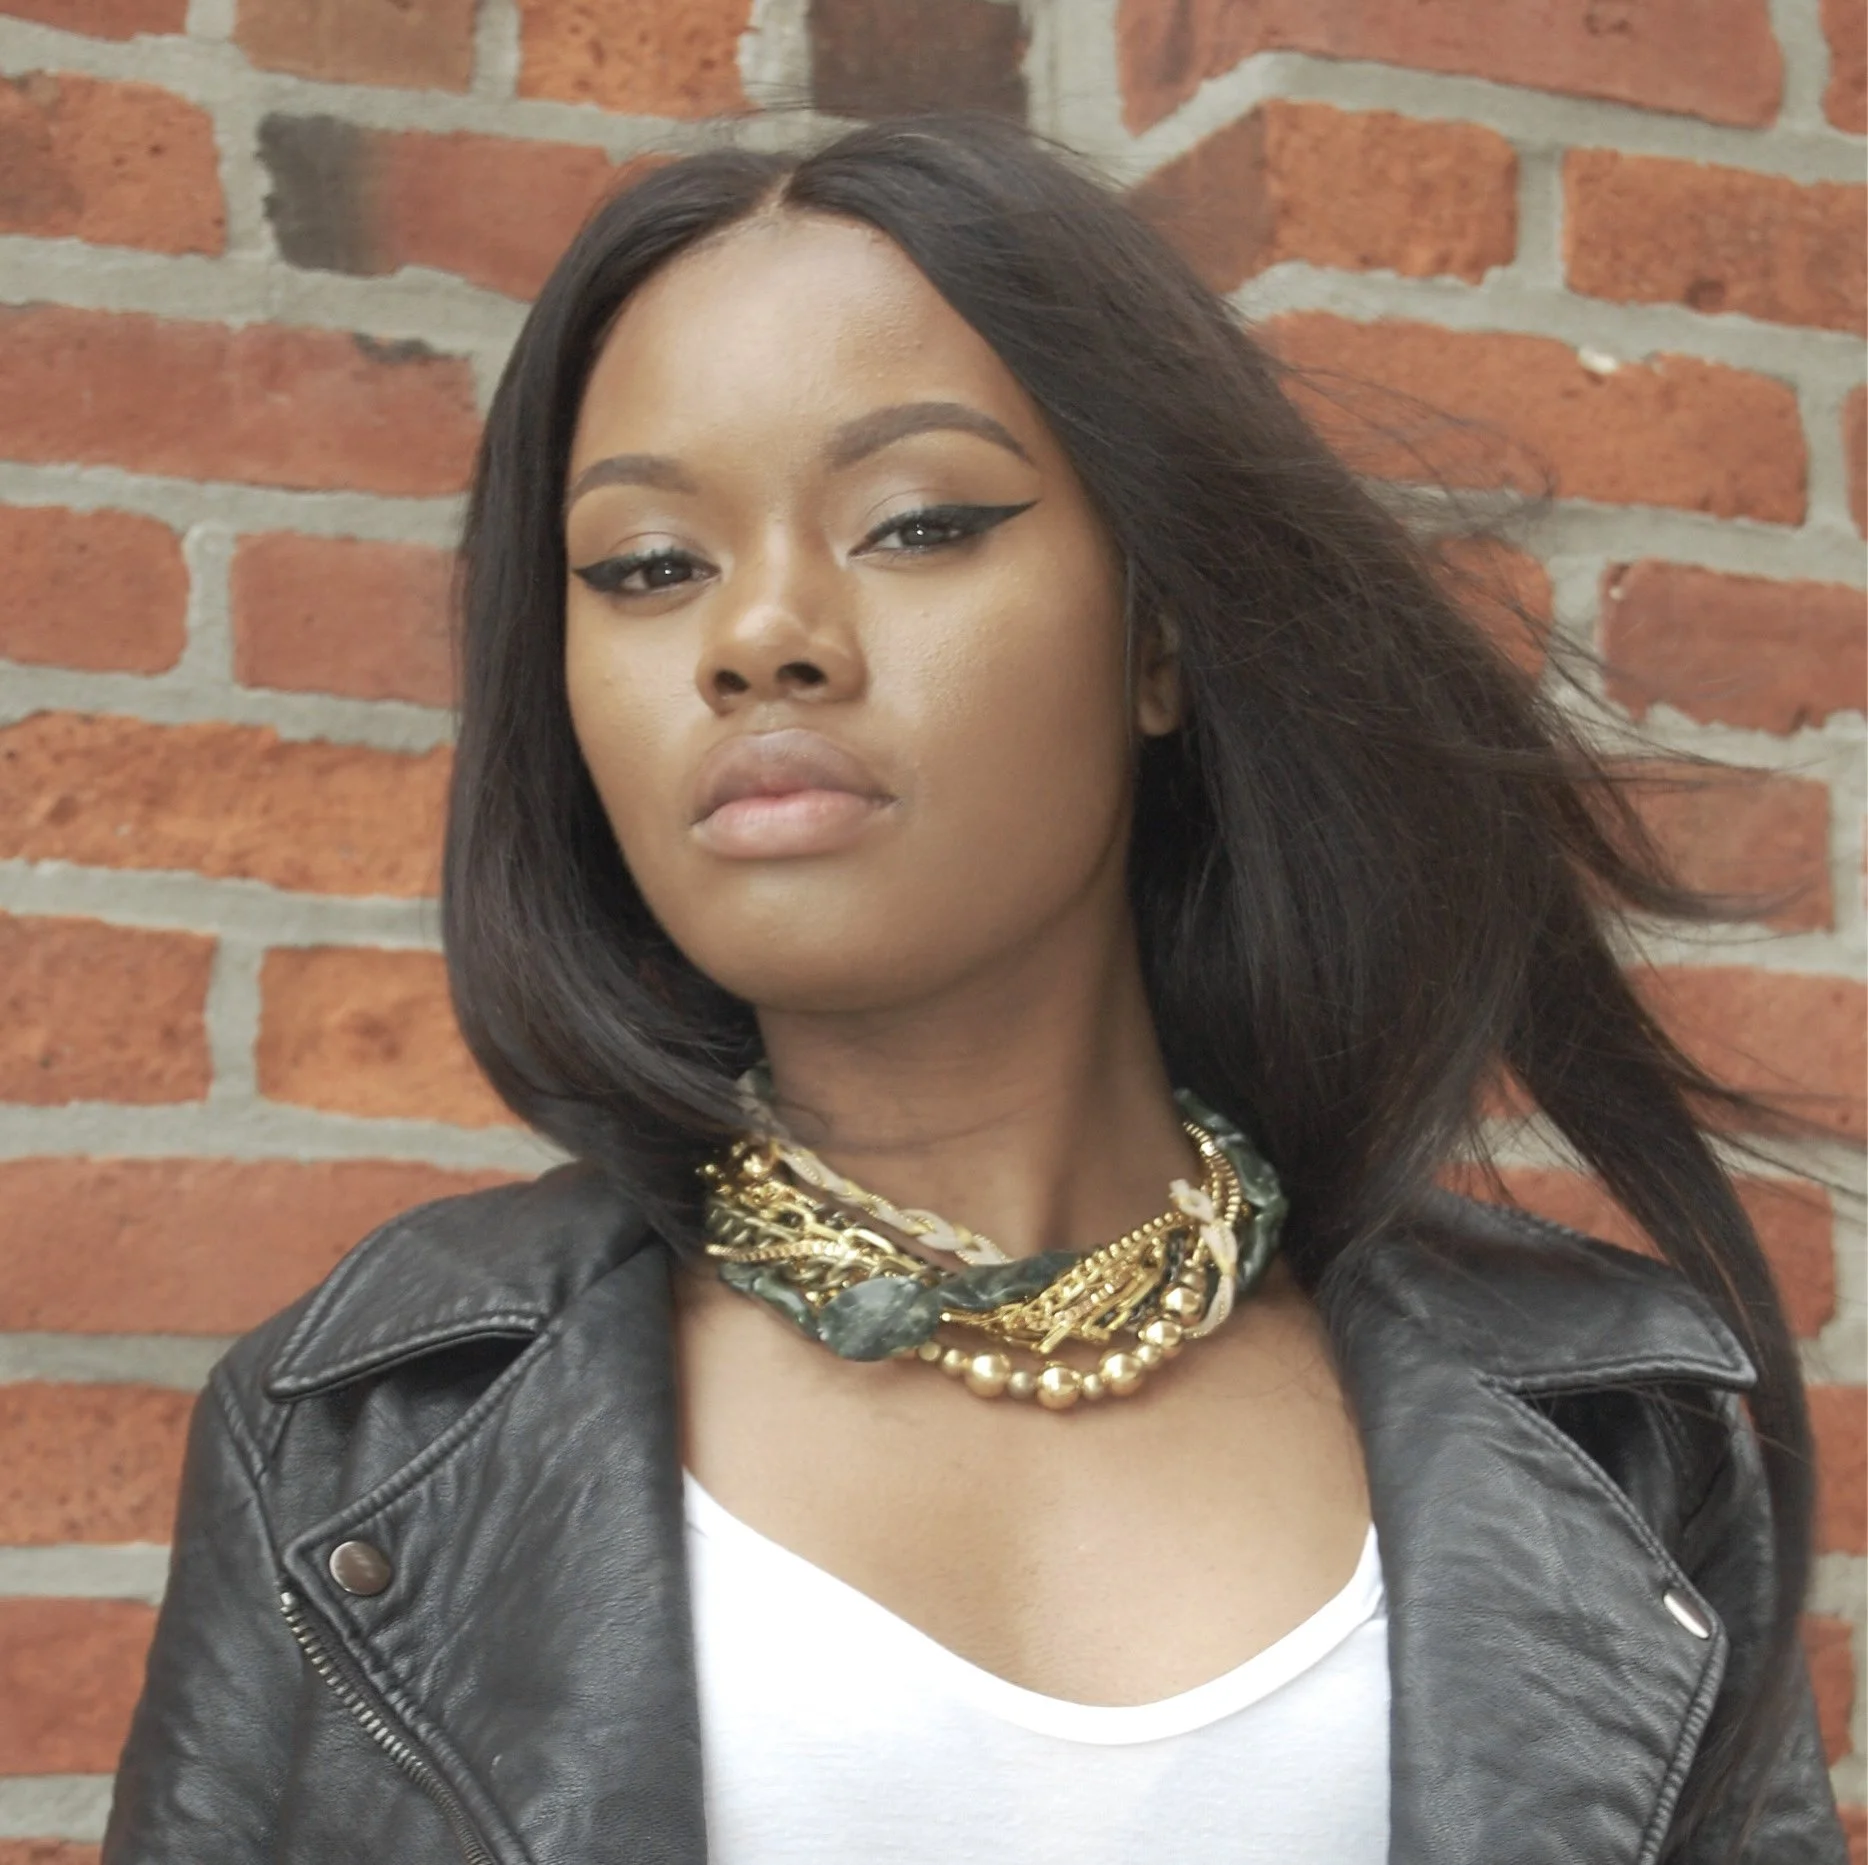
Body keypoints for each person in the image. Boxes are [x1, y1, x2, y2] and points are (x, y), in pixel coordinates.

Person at [103, 115, 1846, 1864]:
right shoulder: (360, 1433)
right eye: (646, 566)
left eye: (919, 524)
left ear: (1159, 636)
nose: (757, 634)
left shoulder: (1614, 1433)